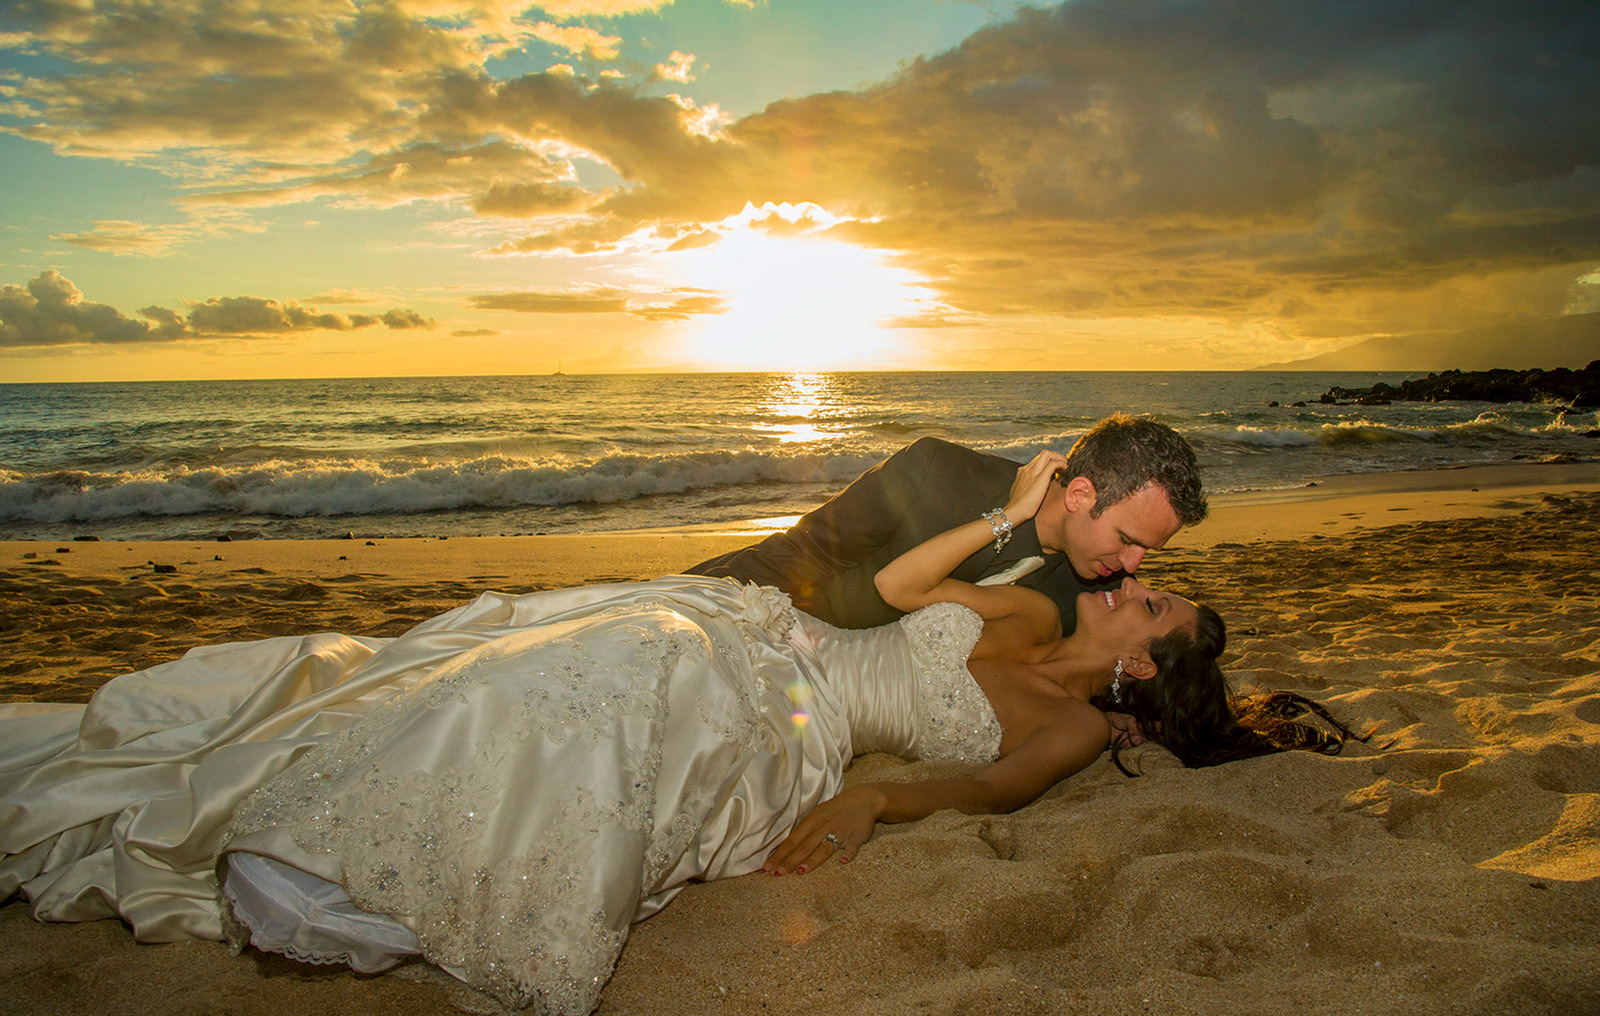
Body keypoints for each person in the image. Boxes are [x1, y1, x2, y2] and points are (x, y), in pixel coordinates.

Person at [0, 455, 1350, 1015]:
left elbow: (985, 792)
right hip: (768, 637)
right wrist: (1007, 518)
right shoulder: (1020, 610)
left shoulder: (1066, 729)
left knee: (632, 702)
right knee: (604, 654)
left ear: (1149, 659)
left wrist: (881, 805)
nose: (1133, 584)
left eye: (1154, 597)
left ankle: (366, 880)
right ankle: (339, 820)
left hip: (802, 728)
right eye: (1141, 561)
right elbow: (892, 595)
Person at [686, 413, 1208, 632]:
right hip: (786, 622)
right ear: (1079, 493)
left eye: (1147, 552)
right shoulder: (934, 470)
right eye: (1127, 540)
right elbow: (806, 552)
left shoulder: (1096, 595)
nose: (1133, 566)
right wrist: (696, 601)